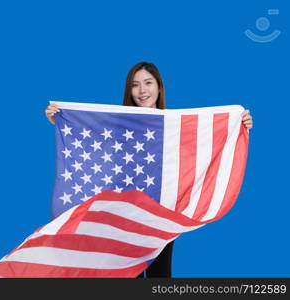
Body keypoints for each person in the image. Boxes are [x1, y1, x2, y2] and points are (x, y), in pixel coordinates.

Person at [44, 62, 253, 278]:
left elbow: (204, 147)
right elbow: (92, 142)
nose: (142, 91)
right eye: (135, 85)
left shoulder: (176, 127)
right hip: (125, 216)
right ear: (129, 90)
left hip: (162, 214)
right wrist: (62, 121)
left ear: (159, 87)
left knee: (160, 277)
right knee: (126, 277)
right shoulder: (118, 125)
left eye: (148, 83)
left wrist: (238, 124)